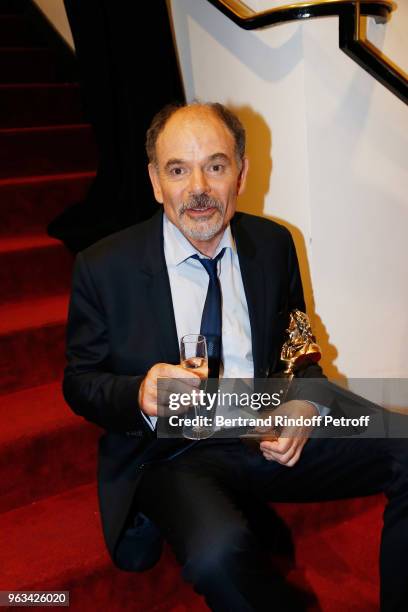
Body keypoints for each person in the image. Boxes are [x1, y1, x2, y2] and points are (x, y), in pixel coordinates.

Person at [63, 101, 408, 611]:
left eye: (216, 166)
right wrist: (138, 392)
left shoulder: (272, 243)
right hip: (173, 452)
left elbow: (298, 343)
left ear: (241, 175)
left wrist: (304, 400)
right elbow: (80, 381)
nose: (198, 187)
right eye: (179, 170)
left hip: (266, 421)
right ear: (156, 182)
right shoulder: (103, 267)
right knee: (216, 554)